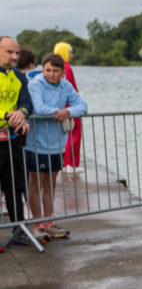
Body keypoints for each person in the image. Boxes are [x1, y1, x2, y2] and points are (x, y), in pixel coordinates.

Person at [24, 53, 87, 239]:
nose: (50, 74)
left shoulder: (65, 84)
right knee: (35, 184)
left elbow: (82, 106)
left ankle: (49, 222)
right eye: (47, 70)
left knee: (50, 185)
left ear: (62, 72)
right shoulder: (35, 84)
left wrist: (68, 111)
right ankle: (37, 223)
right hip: (36, 143)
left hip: (56, 144)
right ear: (42, 69)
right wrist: (60, 112)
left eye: (55, 71)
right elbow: (39, 108)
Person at [1, 36, 35, 247]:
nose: (15, 57)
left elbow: (27, 103)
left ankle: (18, 232)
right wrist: (8, 116)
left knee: (15, 186)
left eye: (17, 52)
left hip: (12, 141)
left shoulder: (18, 77)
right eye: (9, 52)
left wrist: (21, 114)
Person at [53, 42, 82, 175]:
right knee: (74, 134)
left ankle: (67, 163)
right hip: (70, 107)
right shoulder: (66, 68)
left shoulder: (55, 67)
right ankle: (71, 164)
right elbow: (71, 90)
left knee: (66, 134)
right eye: (70, 52)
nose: (72, 55)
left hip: (60, 106)